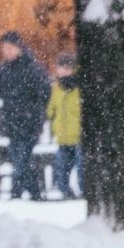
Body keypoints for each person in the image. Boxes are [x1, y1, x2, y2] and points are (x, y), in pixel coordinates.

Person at [0, 32, 50, 200]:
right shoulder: (3, 70)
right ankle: (35, 194)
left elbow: (45, 92)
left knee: (21, 162)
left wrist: (35, 112)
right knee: (22, 162)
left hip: (30, 124)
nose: (5, 52)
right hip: (12, 124)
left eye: (8, 48)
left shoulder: (32, 68)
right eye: (3, 48)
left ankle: (16, 195)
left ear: (18, 48)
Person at [48, 52, 83, 199]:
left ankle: (84, 192)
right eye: (60, 67)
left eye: (65, 67)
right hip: (62, 136)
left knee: (82, 168)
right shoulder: (56, 88)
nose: (61, 71)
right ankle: (65, 192)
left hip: (78, 136)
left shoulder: (78, 88)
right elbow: (51, 109)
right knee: (61, 168)